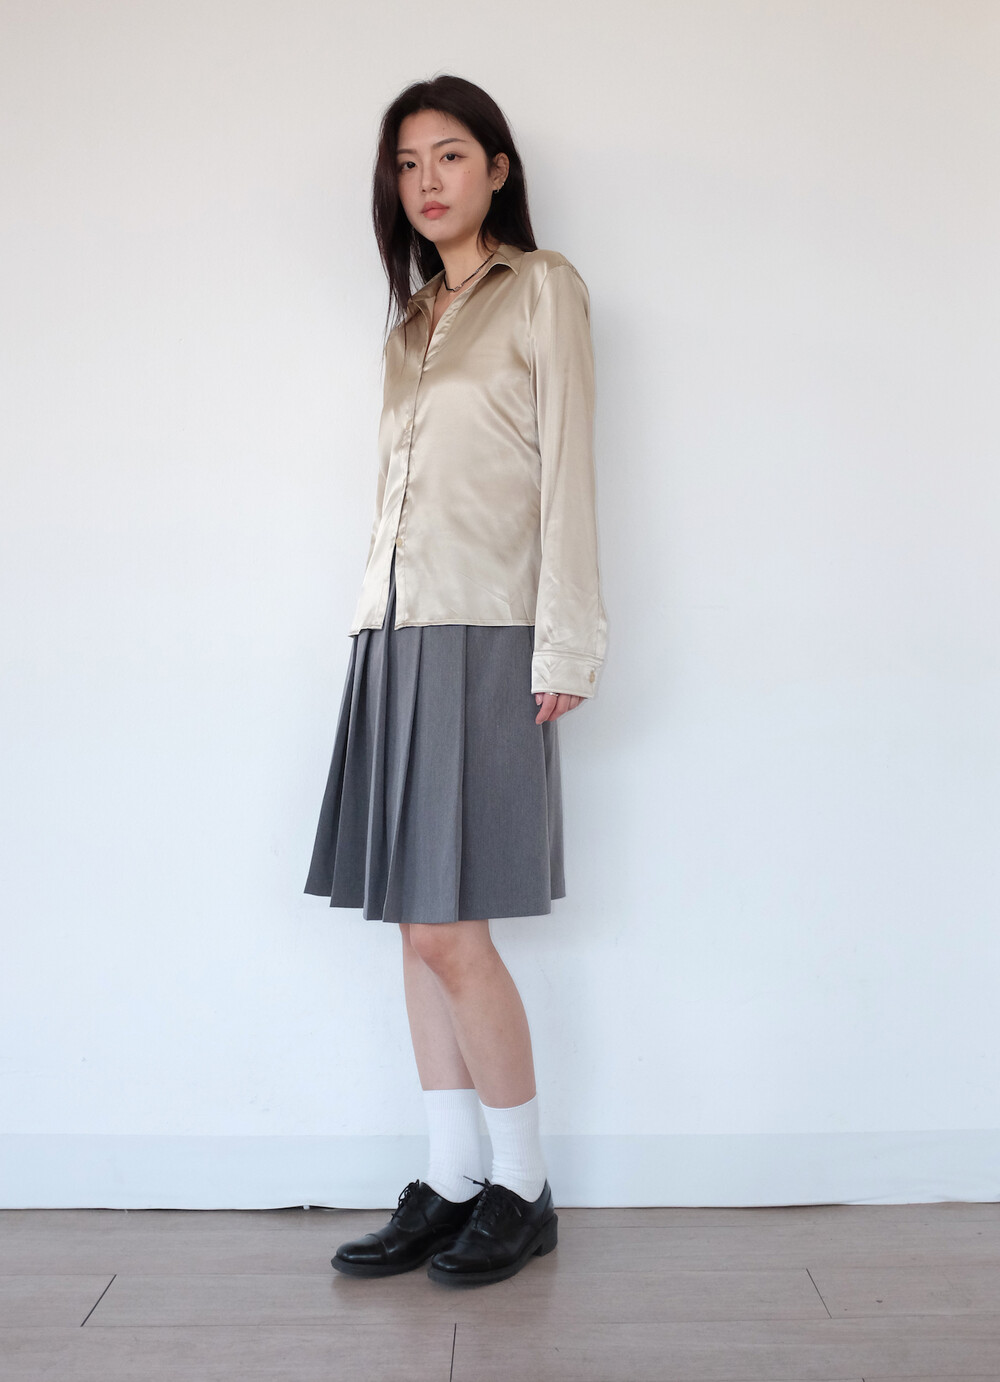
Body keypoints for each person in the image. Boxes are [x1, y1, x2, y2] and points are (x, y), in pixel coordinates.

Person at [304, 74, 607, 1288]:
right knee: (412, 926)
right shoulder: (411, 324)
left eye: (448, 155)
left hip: (489, 630)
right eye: (406, 163)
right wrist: (370, 630)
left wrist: (565, 642)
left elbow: (568, 469)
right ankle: (451, 1176)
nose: (426, 180)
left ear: (496, 168)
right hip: (395, 634)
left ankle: (522, 1186)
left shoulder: (542, 289)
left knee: (450, 926)